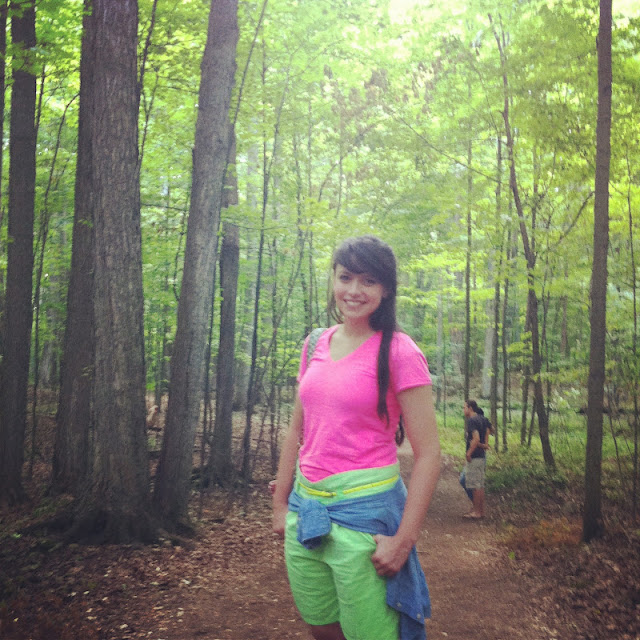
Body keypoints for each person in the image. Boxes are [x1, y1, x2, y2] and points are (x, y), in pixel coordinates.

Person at [272, 235, 441, 640]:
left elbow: (429, 454)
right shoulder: (315, 343)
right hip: (306, 510)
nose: (354, 290)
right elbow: (298, 428)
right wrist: (280, 505)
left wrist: (403, 541)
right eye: (345, 277)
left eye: (368, 280)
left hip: (365, 514)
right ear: (333, 279)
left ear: (386, 289)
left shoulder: (401, 352)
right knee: (321, 626)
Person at [462, 399, 489, 519]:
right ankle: (481, 511)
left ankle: (477, 512)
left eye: (464, 407)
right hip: (482, 456)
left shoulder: (472, 420)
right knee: (480, 485)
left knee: (475, 485)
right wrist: (485, 443)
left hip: (475, 456)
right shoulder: (483, 418)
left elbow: (476, 438)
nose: (463, 410)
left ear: (470, 408)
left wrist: (469, 453)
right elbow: (490, 429)